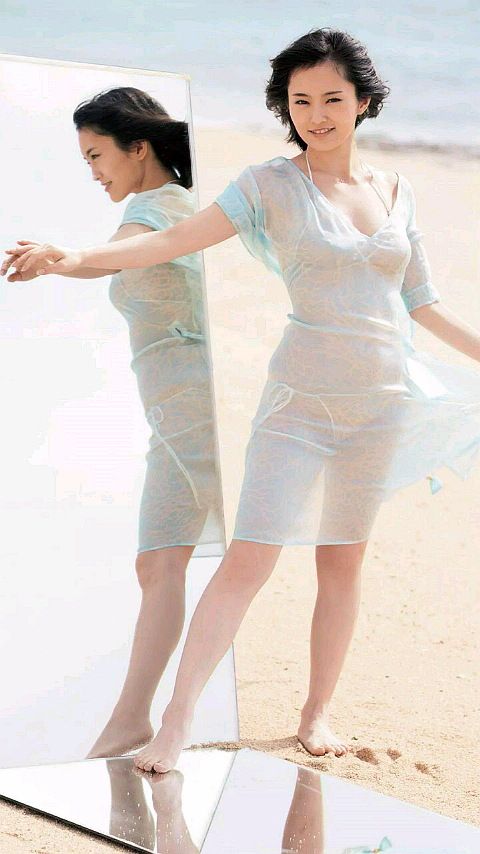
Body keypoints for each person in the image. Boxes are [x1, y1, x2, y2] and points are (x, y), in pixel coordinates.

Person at [3, 28, 480, 773]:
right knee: (247, 562)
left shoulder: (395, 189)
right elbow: (170, 240)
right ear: (284, 106)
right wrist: (76, 257)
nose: (316, 115)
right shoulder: (268, 185)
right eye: (300, 101)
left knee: (342, 565)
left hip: (380, 408)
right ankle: (173, 726)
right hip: (299, 410)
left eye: (332, 99)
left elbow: (423, 303)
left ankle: (316, 715)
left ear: (363, 101)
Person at [1, 86, 223, 759]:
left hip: (195, 410)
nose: (93, 171)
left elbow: (125, 253)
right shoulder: (149, 211)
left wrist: (65, 256)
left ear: (139, 147)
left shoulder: (169, 207)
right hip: (173, 416)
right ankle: (133, 719)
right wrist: (59, 264)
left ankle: (145, 719)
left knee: (187, 560)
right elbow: (116, 257)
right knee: (159, 562)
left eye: (97, 155)